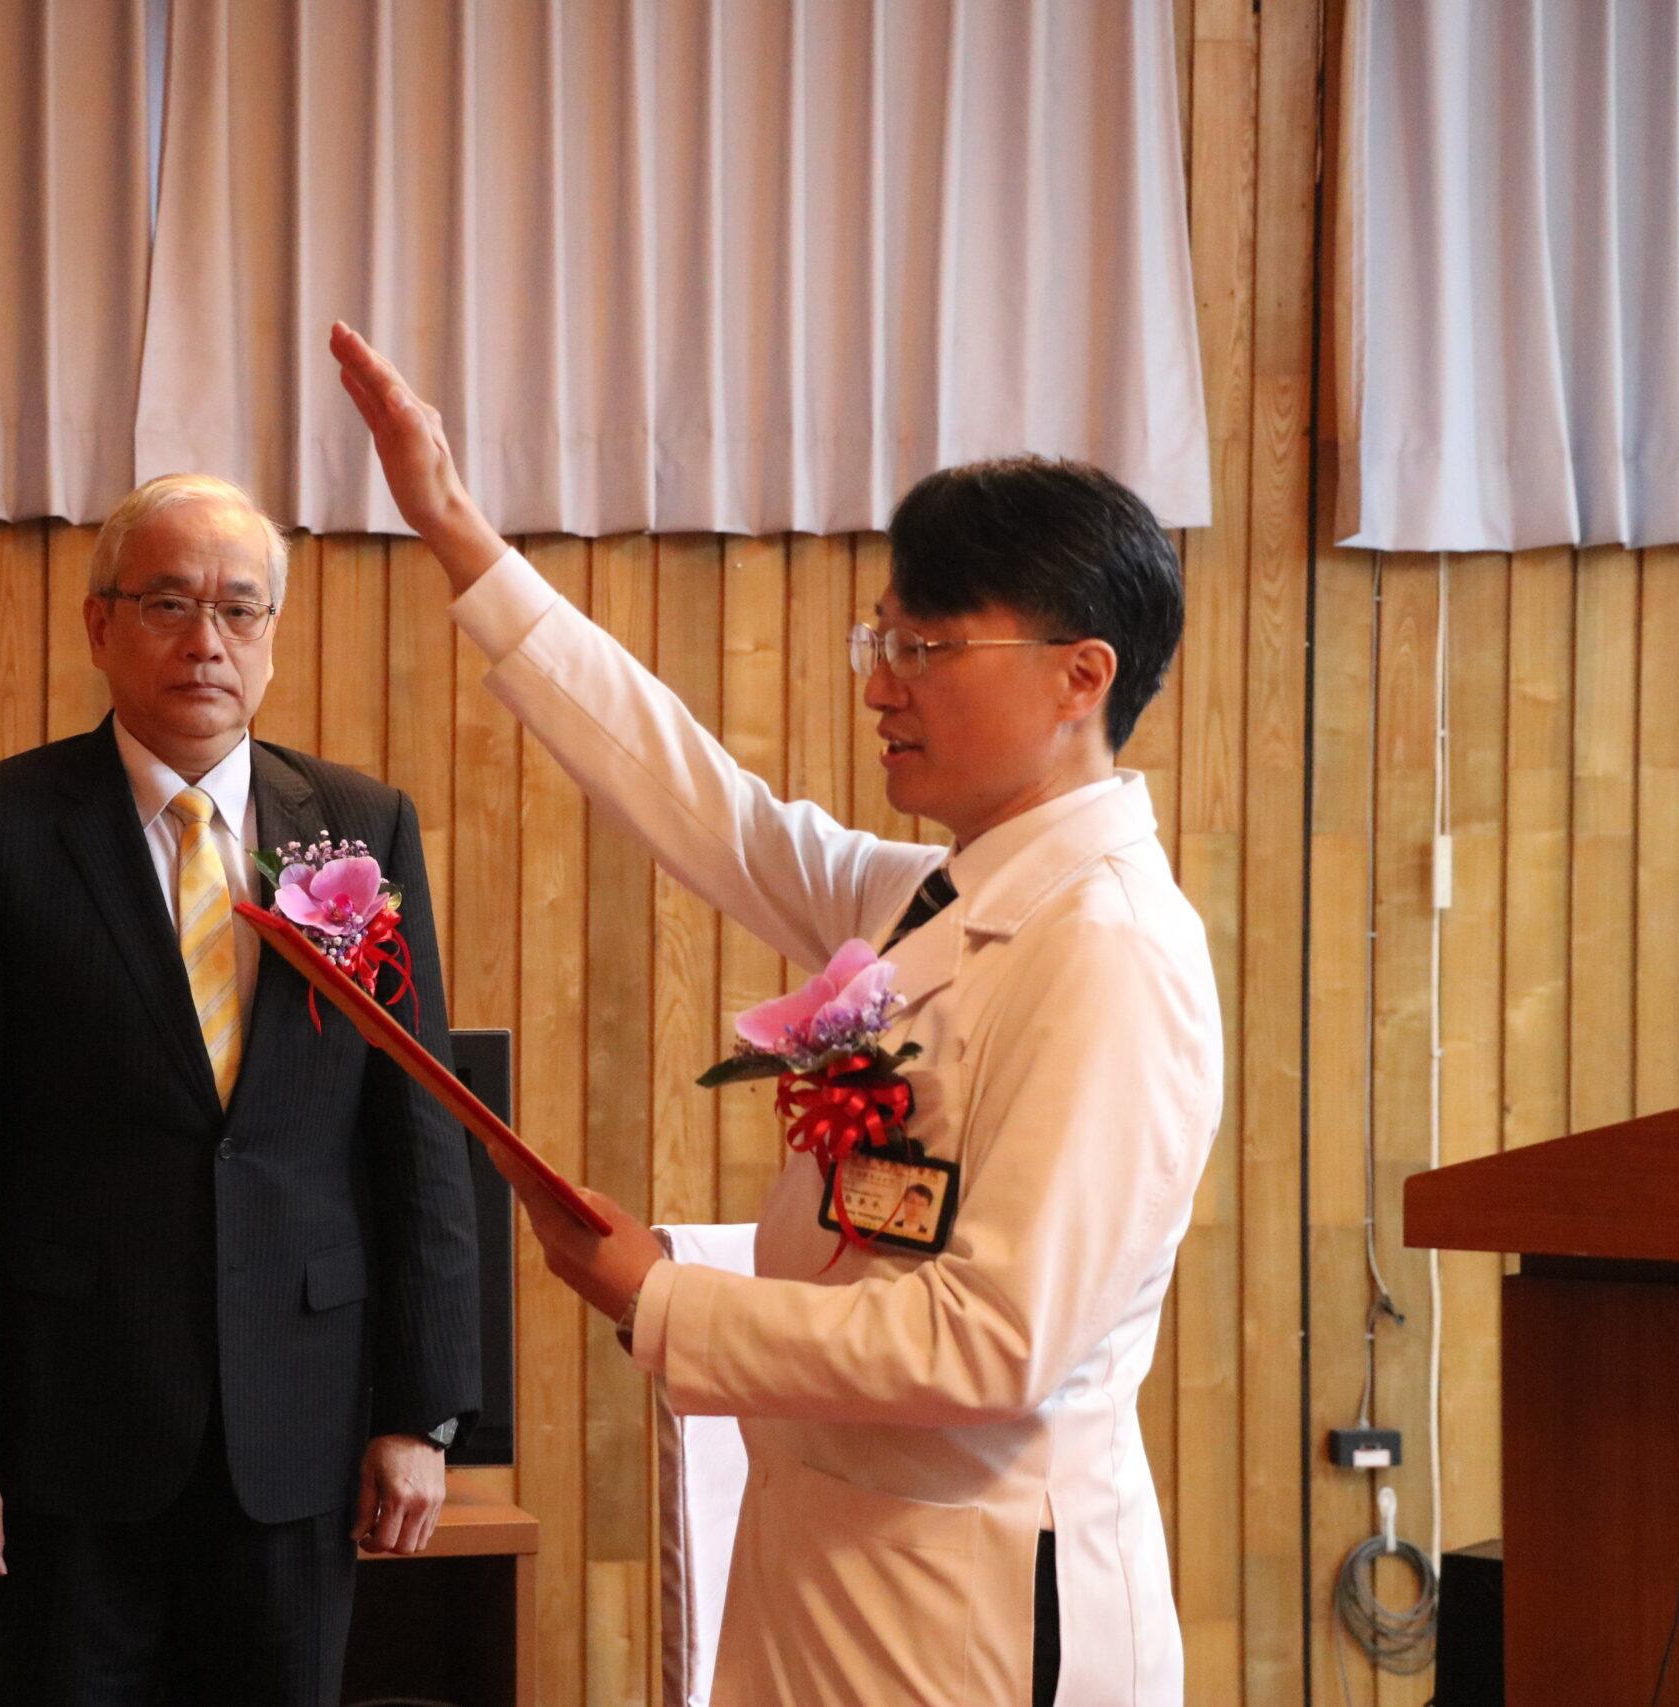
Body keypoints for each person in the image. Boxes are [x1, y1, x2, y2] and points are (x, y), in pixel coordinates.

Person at [332, 322, 1222, 1705]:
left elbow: (992, 1340)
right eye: (884, 637)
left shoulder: (1109, 951)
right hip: (836, 1558)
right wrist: (459, 535)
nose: (880, 682)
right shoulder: (933, 892)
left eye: (925, 644)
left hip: (982, 1603)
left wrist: (664, 1298)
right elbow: (711, 809)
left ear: (1080, 676)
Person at [0, 472, 484, 1706]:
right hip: (63, 1438)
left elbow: (415, 1133)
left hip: (301, 1435)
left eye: (238, 609)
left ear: (272, 636)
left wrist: (422, 1415)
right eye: (168, 604)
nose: (207, 641)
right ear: (100, 625)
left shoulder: (360, 827)